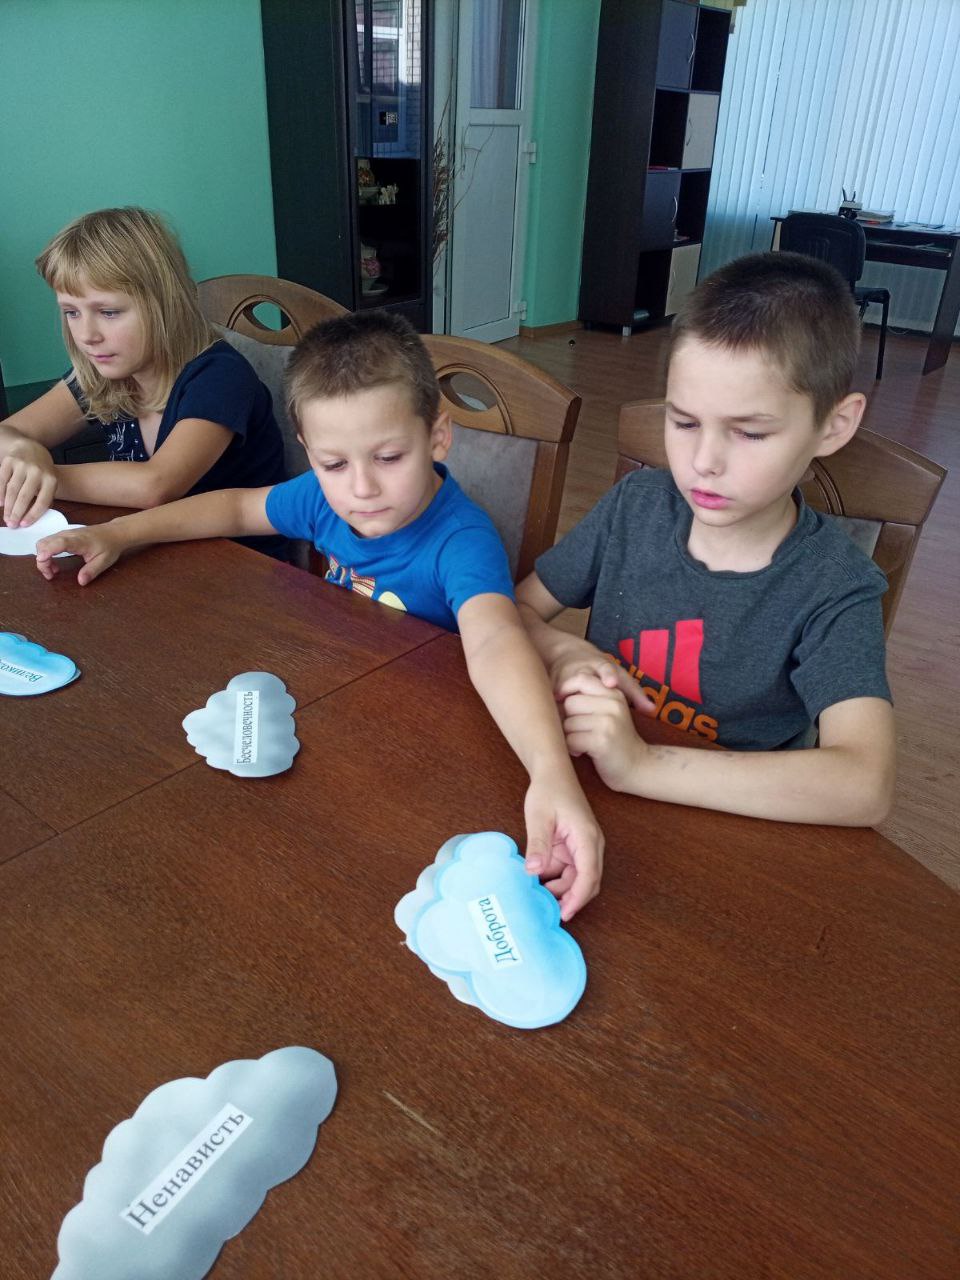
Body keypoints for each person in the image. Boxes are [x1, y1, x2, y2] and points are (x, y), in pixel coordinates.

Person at [35, 310, 604, 918]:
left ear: (438, 435)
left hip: (427, 743)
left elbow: (494, 642)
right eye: (334, 465)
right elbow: (234, 508)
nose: (361, 489)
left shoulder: (461, 542)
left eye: (389, 457)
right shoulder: (321, 498)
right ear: (309, 452)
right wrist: (120, 534)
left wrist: (551, 772)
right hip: (334, 711)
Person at [516, 251, 896, 827]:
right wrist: (562, 649)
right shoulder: (635, 507)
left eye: (749, 432)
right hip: (589, 792)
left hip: (729, 822)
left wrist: (641, 764)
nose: (703, 462)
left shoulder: (837, 587)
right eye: (684, 422)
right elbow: (514, 611)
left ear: (834, 425)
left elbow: (865, 785)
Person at [0, 207, 286, 555]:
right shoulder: (104, 371)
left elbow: (156, 485)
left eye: (109, 312)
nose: (87, 335)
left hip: (238, 566)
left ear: (165, 303)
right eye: (71, 312)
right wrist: (23, 451)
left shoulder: (220, 376)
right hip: (144, 549)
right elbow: (8, 432)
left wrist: (41, 474)